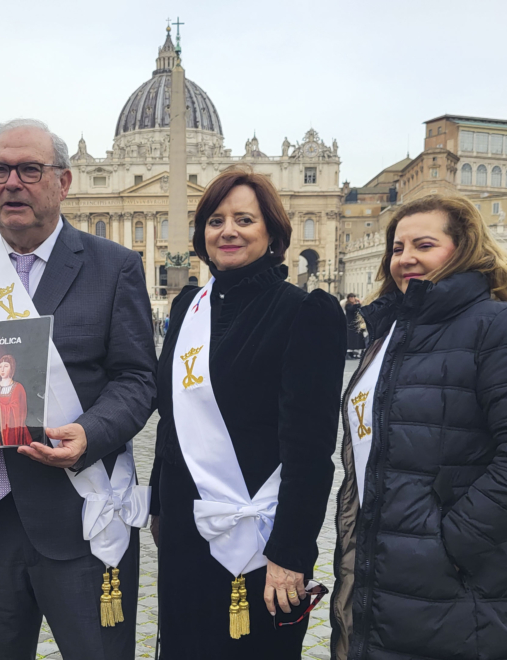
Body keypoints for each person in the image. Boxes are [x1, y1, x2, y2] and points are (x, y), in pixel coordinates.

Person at [0, 119, 156, 660]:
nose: (12, 183)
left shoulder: (114, 266)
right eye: (0, 170)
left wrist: (89, 433)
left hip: (80, 515)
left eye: (29, 170)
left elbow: (137, 379)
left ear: (63, 183)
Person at [330, 195, 507, 660]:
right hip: (381, 565)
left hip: (458, 578)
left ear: (463, 248)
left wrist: (451, 543)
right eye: (397, 248)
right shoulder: (388, 334)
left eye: (424, 244)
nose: (406, 257)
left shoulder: (499, 324)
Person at [149, 167, 345, 658]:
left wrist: (290, 554)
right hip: (186, 531)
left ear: (272, 231)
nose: (228, 231)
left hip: (261, 542)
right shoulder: (189, 307)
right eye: (216, 220)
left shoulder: (307, 311)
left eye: (243, 219)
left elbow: (311, 449)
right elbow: (172, 421)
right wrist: (158, 503)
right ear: (201, 234)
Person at [344, 293, 365, 358]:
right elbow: (353, 308)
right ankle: (351, 351)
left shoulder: (356, 305)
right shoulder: (348, 305)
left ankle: (359, 351)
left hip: (357, 324)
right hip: (351, 324)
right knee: (352, 338)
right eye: (350, 297)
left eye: (353, 297)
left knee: (359, 338)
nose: (352, 298)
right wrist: (359, 302)